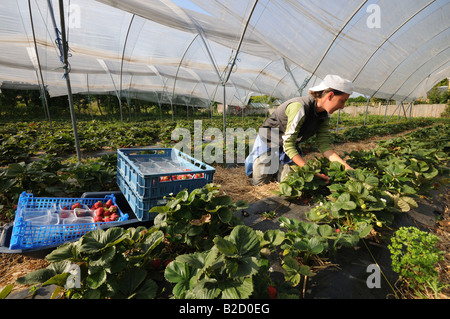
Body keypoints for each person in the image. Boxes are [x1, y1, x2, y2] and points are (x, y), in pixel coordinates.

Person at [245, 74, 355, 186]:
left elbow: (324, 145)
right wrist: (309, 170)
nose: (343, 106)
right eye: (342, 101)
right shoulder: (299, 107)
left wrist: (346, 167)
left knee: (288, 182)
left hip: (289, 143)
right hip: (270, 139)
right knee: (260, 183)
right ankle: (267, 166)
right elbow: (288, 144)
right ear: (330, 96)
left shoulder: (324, 115)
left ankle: (277, 167)